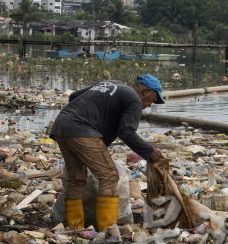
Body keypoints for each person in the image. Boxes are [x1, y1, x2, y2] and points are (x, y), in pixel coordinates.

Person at [49, 74, 167, 230]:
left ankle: (75, 227)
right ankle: (107, 229)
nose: (150, 104)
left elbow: (74, 96)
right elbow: (127, 133)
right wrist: (150, 152)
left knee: (76, 178)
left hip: (61, 124)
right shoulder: (135, 100)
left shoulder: (113, 84)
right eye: (152, 99)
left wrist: (97, 115)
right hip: (81, 129)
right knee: (109, 176)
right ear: (146, 91)